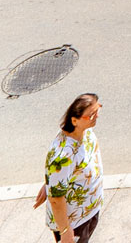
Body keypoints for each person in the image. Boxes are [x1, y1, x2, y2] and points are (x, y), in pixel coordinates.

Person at [40, 94, 103, 243]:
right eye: (91, 115)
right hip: (75, 222)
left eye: (97, 110)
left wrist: (49, 183)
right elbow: (56, 199)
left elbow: (61, 174)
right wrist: (65, 231)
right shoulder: (63, 156)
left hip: (88, 210)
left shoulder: (85, 131)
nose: (96, 116)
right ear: (74, 121)